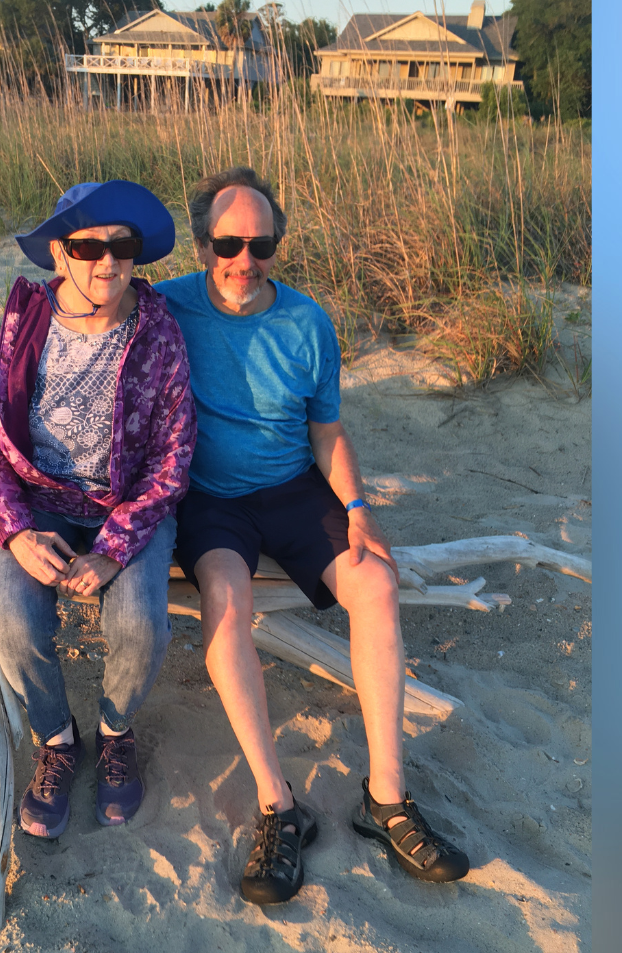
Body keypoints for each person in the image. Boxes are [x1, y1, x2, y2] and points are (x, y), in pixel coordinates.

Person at [156, 167, 469, 903]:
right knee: (225, 602)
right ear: (202, 243)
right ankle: (278, 805)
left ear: (276, 245)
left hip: (293, 486)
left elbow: (326, 430)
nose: (244, 260)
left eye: (260, 244)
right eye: (228, 244)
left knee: (376, 583)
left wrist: (358, 506)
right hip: (211, 499)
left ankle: (385, 799)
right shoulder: (166, 306)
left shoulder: (306, 321)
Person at [0, 180, 196, 839]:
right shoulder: (25, 330)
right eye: (88, 247)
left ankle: (115, 732)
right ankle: (57, 739)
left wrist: (113, 549)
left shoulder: (157, 335)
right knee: (13, 622)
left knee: (142, 625)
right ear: (60, 254)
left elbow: (173, 456)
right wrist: (15, 534)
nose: (108, 261)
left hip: (128, 506)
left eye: (122, 245)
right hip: (38, 505)